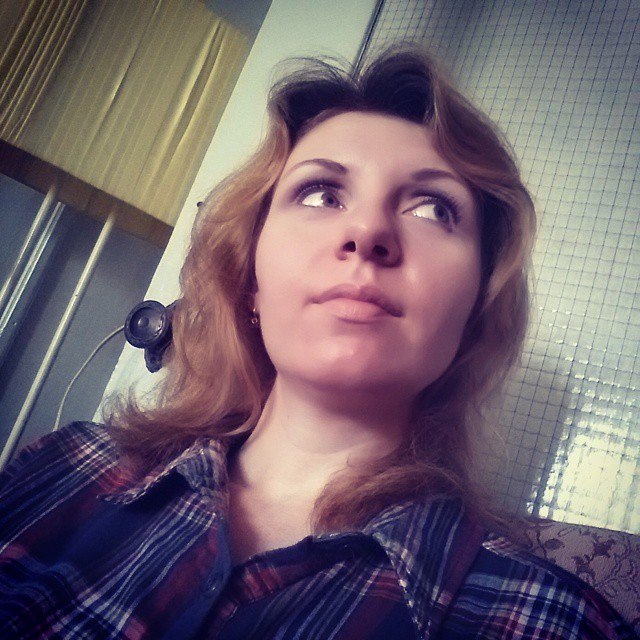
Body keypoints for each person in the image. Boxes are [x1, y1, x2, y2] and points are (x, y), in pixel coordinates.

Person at [0, 45, 636, 640]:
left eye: (432, 208)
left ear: (474, 311)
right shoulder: (62, 468)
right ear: (250, 280)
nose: (368, 231)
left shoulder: (554, 622)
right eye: (322, 193)